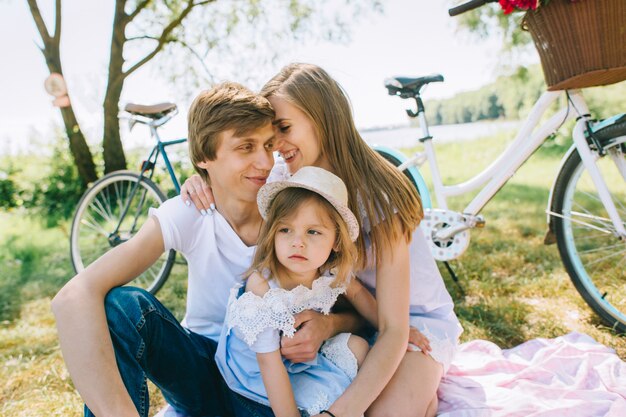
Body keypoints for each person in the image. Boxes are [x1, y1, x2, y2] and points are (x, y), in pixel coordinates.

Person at [51, 82, 356, 417]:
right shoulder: (191, 211)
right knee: (123, 307)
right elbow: (73, 297)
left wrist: (330, 325)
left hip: (273, 382)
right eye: (245, 147)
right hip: (200, 371)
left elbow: (346, 294)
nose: (264, 162)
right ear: (202, 158)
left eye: (268, 145)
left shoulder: (289, 202)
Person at [182, 63, 463, 417]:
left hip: (408, 326)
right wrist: (199, 180)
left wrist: (338, 414)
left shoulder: (381, 194)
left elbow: (394, 328)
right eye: (272, 136)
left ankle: (420, 389)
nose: (276, 148)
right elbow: (231, 178)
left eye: (283, 129)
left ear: (323, 119)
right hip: (347, 316)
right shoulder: (289, 179)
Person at [217, 165, 378, 417]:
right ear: (273, 234)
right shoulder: (263, 287)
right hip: (257, 376)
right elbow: (268, 364)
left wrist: (396, 328)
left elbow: (359, 296)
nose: (297, 242)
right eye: (285, 230)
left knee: (358, 346)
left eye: (313, 231)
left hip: (297, 361)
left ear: (335, 241)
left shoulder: (330, 272)